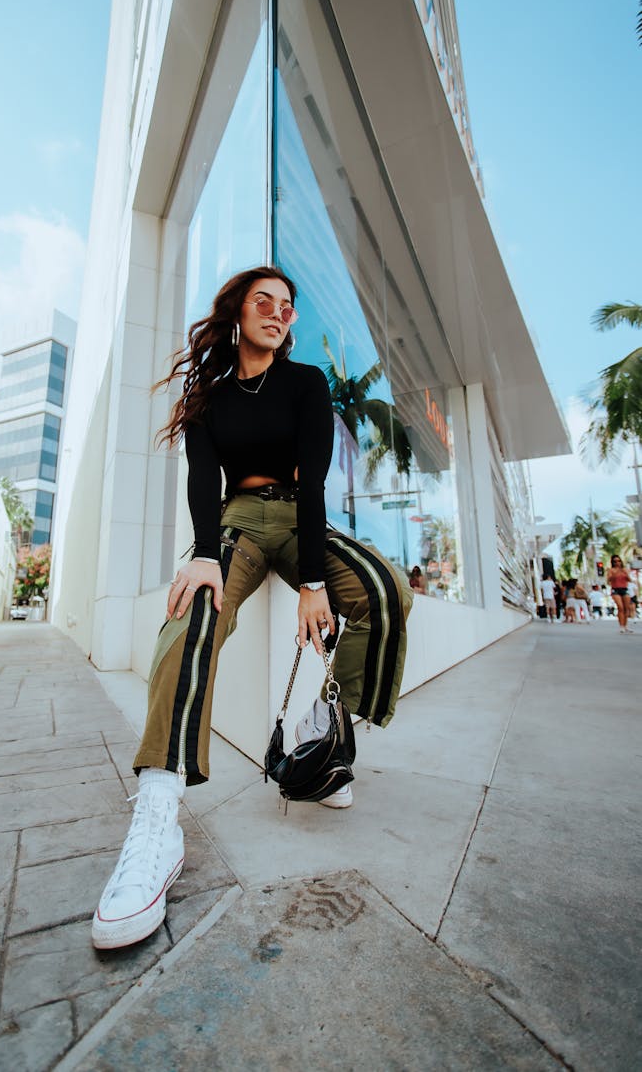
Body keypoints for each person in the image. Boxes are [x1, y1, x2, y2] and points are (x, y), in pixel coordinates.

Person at [91, 266, 413, 951]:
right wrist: (205, 551)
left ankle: (317, 730)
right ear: (237, 311)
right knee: (193, 611)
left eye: (287, 306)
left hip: (302, 520)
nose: (278, 312)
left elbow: (315, 474)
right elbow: (202, 475)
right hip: (238, 518)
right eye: (263, 301)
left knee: (387, 593)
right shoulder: (208, 392)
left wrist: (314, 582)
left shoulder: (306, 383)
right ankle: (157, 812)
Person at [608, 555, 634, 633]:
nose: (617, 563)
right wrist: (615, 574)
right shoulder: (611, 570)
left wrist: (625, 573)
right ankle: (621, 626)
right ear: (613, 562)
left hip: (624, 589)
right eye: (615, 561)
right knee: (620, 607)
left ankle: (625, 625)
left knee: (627, 608)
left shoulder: (624, 570)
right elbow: (609, 579)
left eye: (619, 561)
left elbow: (629, 580)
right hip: (615, 589)